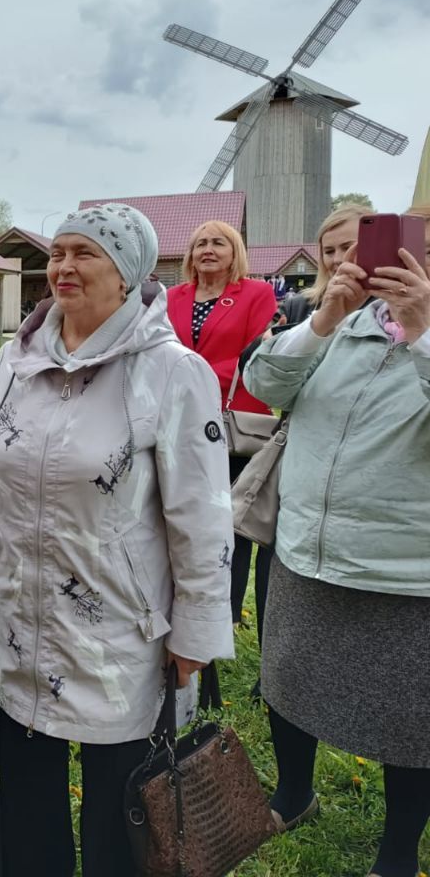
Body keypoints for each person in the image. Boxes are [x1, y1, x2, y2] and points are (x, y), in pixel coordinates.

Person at [0, 203, 234, 877]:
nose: (64, 267)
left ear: (128, 272)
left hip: (120, 629)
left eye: (86, 253)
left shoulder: (171, 373)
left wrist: (197, 630)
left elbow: (204, 514)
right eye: (60, 252)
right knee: (25, 790)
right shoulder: (14, 363)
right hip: (24, 617)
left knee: (122, 808)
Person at [244, 222, 430, 877]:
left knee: (410, 721)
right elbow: (265, 383)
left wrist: (424, 331)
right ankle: (294, 796)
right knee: (288, 682)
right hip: (306, 546)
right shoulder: (343, 320)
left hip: (405, 569)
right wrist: (324, 318)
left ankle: (398, 853)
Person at [166, 220, 277, 636]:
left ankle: (230, 609)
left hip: (235, 422)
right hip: (181, 418)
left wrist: (190, 374)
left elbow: (257, 355)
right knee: (190, 508)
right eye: (199, 244)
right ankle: (194, 599)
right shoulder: (172, 297)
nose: (207, 250)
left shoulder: (257, 294)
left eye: (218, 243)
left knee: (234, 517)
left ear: (235, 253)